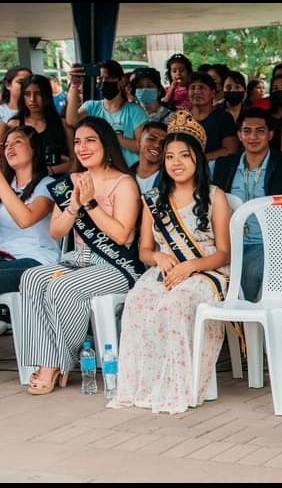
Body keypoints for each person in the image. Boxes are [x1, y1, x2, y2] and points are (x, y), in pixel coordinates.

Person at [110, 110, 231, 414]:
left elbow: (224, 253)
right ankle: (146, 385)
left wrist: (190, 266)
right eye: (170, 157)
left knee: (175, 305)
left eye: (184, 156)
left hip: (206, 273)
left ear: (197, 159)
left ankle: (178, 385)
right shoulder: (154, 199)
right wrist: (158, 256)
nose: (176, 163)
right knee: (137, 301)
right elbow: (144, 250)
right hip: (165, 270)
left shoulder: (215, 196)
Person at [17, 116, 142, 395]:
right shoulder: (70, 182)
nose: (82, 147)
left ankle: (52, 364)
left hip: (114, 266)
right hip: (77, 261)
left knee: (61, 287)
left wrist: (91, 204)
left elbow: (122, 236)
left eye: (90, 141)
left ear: (106, 144)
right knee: (31, 278)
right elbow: (56, 231)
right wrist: (73, 205)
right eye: (77, 142)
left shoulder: (124, 183)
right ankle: (51, 359)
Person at [213, 108, 282, 301]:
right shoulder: (223, 165)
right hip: (227, 243)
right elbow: (195, 176)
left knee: (247, 274)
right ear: (239, 135)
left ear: (270, 134)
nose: (253, 137)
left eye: (260, 131)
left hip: (270, 244)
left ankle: (241, 317)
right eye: (247, 131)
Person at [0, 126, 58, 294]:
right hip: (5, 258)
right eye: (6, 145)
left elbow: (25, 220)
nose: (9, 147)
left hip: (36, 260)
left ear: (34, 149)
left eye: (17, 142)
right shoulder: (6, 186)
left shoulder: (47, 185)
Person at [66, 59, 148, 167]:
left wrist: (113, 137)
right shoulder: (91, 107)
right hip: (100, 170)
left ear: (121, 81)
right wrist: (74, 85)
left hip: (129, 169)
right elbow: (72, 121)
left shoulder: (135, 111)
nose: (104, 82)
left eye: (108, 78)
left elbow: (142, 146)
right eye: (100, 79)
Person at [8, 74, 73, 176]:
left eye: (38, 94)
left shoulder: (62, 124)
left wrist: (49, 171)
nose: (32, 99)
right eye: (27, 94)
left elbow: (75, 163)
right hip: (23, 182)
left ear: (47, 95)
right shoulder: (14, 125)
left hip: (57, 181)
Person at [188, 71, 240, 166]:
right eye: (193, 88)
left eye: (202, 87)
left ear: (213, 93)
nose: (196, 91)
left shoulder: (224, 118)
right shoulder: (180, 118)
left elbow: (231, 150)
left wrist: (199, 159)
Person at [131, 121, 168, 194]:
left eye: (163, 143)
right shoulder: (125, 176)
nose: (157, 145)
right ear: (139, 142)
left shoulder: (170, 180)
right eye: (151, 139)